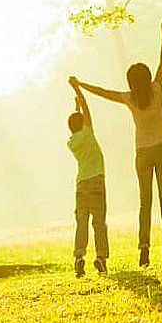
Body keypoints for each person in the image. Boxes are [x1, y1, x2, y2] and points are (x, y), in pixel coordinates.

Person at [71, 25, 162, 267]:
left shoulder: (129, 98)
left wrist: (80, 85)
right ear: (148, 77)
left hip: (142, 153)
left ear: (130, 81)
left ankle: (144, 247)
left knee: (145, 202)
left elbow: (103, 92)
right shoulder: (156, 90)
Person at [66, 79, 109, 277]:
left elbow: (78, 121)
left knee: (81, 222)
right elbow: (86, 104)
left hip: (81, 183)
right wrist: (76, 87)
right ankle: (100, 257)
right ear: (82, 123)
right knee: (99, 221)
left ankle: (79, 257)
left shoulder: (73, 142)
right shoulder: (89, 132)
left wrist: (76, 110)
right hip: (96, 181)